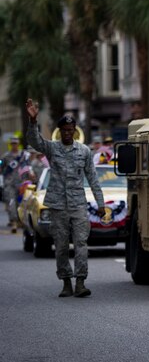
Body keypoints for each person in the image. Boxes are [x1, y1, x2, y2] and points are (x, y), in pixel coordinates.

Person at [25, 99, 106, 298]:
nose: (68, 133)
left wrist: (100, 202)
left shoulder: (85, 151)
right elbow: (34, 142)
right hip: (58, 206)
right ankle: (66, 282)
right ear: (60, 131)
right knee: (61, 246)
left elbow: (93, 178)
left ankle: (80, 282)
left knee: (81, 244)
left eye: (71, 130)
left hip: (78, 204)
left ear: (75, 130)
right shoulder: (52, 148)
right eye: (65, 130)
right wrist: (33, 120)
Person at [2, 136, 28, 233]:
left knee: (21, 203)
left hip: (21, 183)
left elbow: (28, 166)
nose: (14, 145)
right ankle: (14, 222)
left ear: (18, 144)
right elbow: (1, 166)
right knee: (11, 202)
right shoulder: (6, 156)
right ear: (10, 144)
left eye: (15, 143)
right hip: (9, 184)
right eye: (12, 143)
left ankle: (21, 220)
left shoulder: (23, 155)